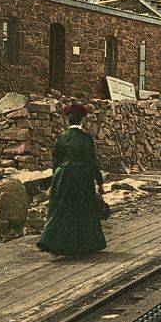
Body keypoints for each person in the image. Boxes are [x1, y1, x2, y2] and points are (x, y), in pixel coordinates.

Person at [37, 103, 107, 256]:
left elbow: (55, 161)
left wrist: (55, 180)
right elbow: (92, 161)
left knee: (61, 208)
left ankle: (54, 243)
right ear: (82, 121)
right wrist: (100, 182)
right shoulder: (86, 139)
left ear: (67, 121)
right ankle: (83, 245)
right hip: (81, 176)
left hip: (62, 175)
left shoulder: (60, 138)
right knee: (83, 209)